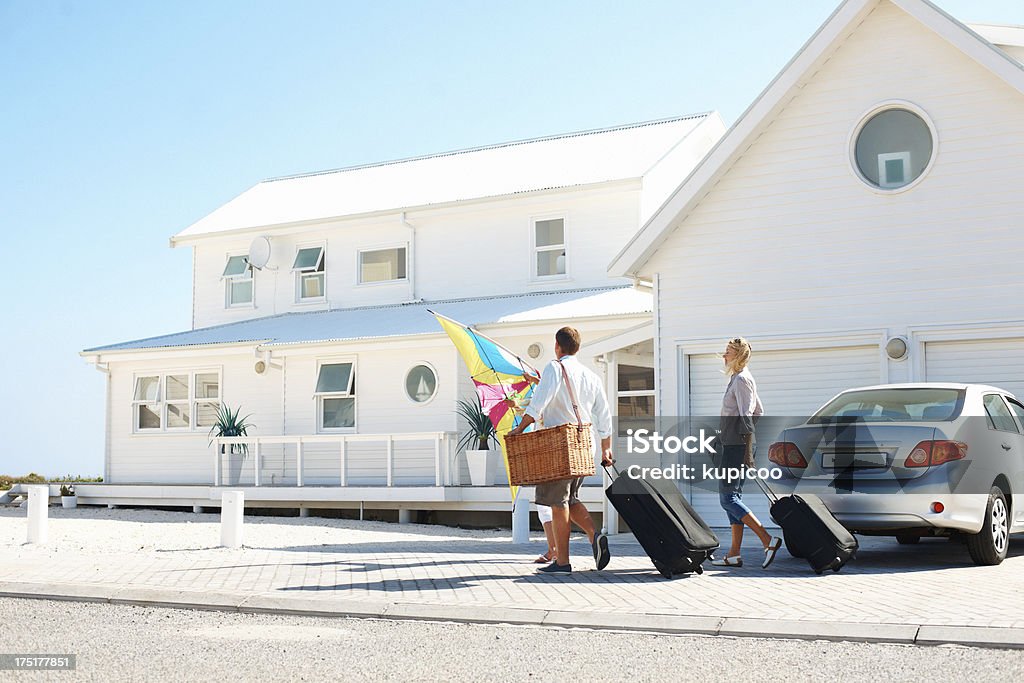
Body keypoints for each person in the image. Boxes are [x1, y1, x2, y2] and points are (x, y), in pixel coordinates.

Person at [507, 326, 614, 575]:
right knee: (570, 499)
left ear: (557, 346)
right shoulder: (590, 375)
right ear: (577, 347)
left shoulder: (554, 367)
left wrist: (520, 428)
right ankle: (594, 534)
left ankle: (563, 562)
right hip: (583, 445)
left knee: (557, 503)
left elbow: (539, 402)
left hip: (559, 445)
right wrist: (606, 448)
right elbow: (604, 415)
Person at [712, 337, 782, 569]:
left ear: (738, 355)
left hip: (737, 447)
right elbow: (758, 409)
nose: (724, 355)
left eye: (728, 352)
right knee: (732, 498)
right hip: (735, 443)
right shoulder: (738, 379)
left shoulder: (742, 380)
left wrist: (746, 449)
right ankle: (734, 554)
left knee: (728, 498)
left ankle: (767, 539)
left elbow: (747, 415)